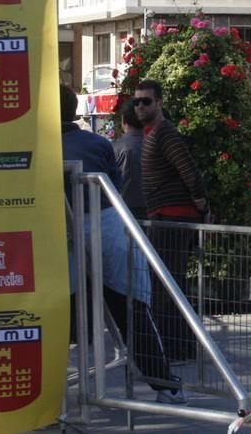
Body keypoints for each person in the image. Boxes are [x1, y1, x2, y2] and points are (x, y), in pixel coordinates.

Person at [60, 84, 186, 404]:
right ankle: (165, 384)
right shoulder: (98, 143)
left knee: (56, 314)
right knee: (131, 306)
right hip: (108, 223)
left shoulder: (39, 147)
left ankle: (46, 392)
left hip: (61, 232)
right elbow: (114, 186)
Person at [134, 79, 208, 360]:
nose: (140, 106)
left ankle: (177, 347)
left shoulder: (165, 133)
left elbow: (188, 170)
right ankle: (179, 346)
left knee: (168, 284)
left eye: (146, 101)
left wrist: (201, 202)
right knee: (169, 283)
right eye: (137, 101)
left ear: (159, 103)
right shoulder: (153, 133)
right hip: (165, 216)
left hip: (174, 217)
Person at [113, 100, 147, 219]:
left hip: (123, 210)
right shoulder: (155, 143)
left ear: (123, 120)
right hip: (152, 209)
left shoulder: (115, 147)